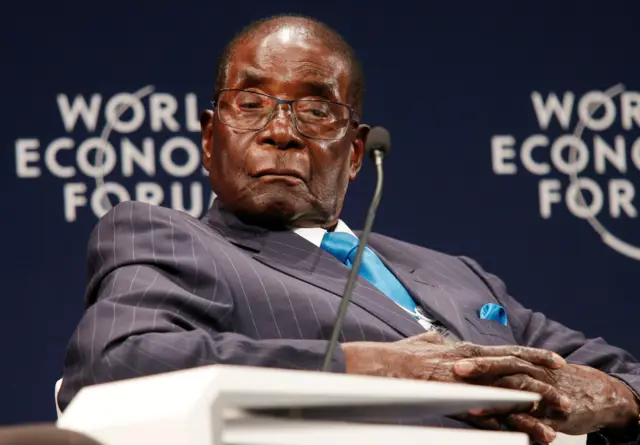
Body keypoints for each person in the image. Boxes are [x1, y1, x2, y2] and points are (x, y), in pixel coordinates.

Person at [58, 14, 640, 444]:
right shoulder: (168, 238)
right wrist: (378, 367)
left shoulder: (454, 274)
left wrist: (614, 399)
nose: (282, 131)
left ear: (356, 153)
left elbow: (622, 371)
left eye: (315, 110)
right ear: (210, 140)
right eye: (252, 103)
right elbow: (117, 361)